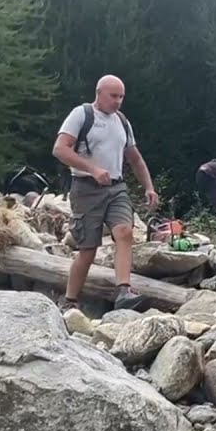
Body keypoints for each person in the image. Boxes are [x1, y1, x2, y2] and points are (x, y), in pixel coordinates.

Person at [52, 74, 160, 312]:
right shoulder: (82, 114)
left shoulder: (122, 121)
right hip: (85, 188)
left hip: (116, 187)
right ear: (98, 93)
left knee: (124, 232)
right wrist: (91, 168)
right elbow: (60, 149)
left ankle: (124, 290)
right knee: (88, 250)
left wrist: (149, 187)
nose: (118, 101)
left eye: (121, 97)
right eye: (113, 96)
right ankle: (69, 300)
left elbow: (135, 158)